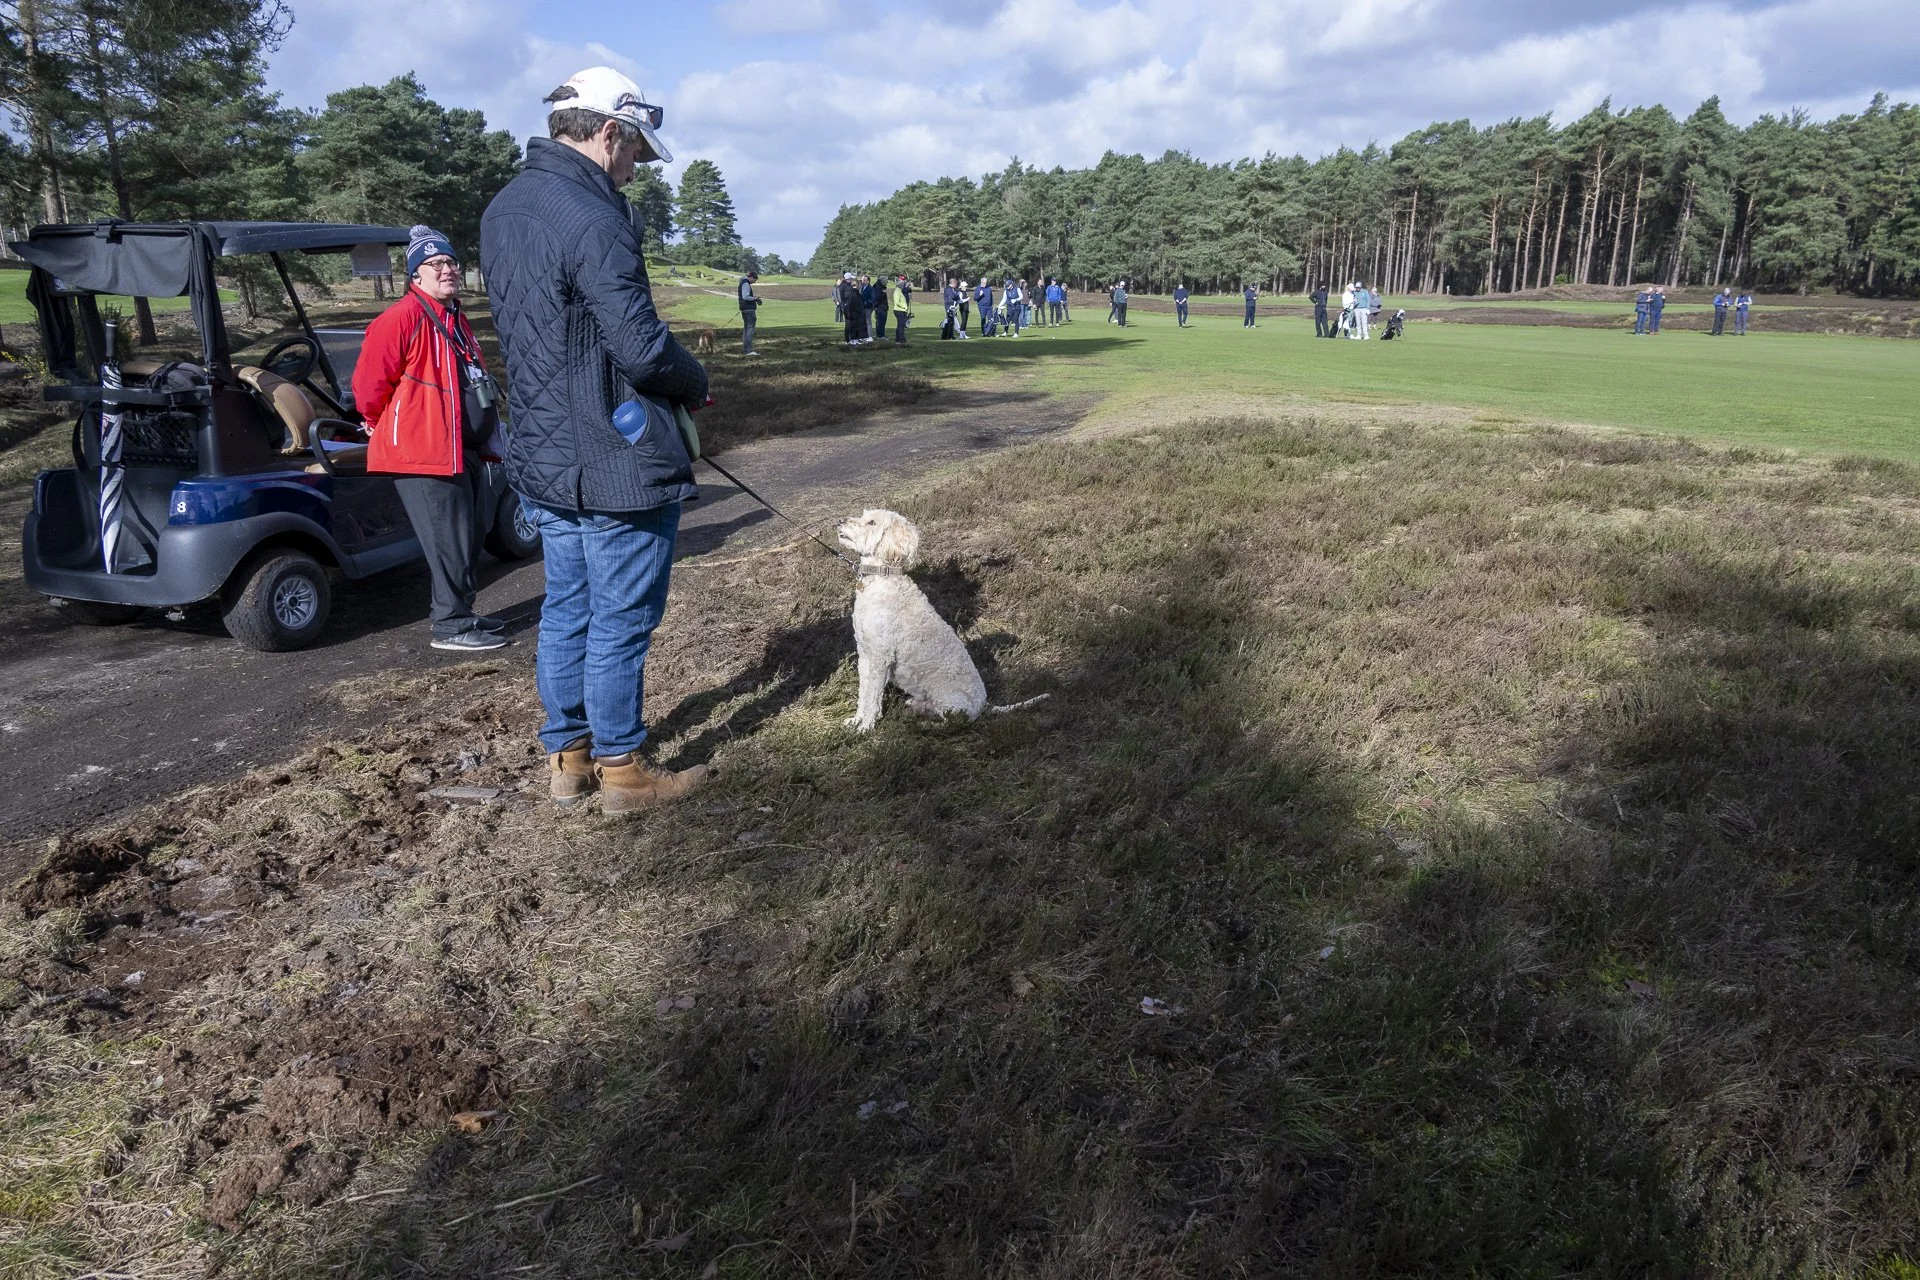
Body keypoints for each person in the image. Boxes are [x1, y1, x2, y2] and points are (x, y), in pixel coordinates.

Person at [479, 65, 709, 814]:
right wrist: (693, 379)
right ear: (608, 132)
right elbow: (642, 349)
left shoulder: (504, 207)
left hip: (546, 453)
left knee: (567, 608)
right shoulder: (593, 214)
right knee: (620, 618)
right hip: (614, 456)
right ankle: (621, 773)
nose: (637, 168)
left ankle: (568, 760)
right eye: (636, 151)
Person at [354, 225, 507, 654]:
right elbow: (368, 386)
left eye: (451, 262)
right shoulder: (400, 318)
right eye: (435, 263)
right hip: (423, 452)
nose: (447, 270)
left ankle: (462, 611)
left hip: (462, 447)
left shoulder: (454, 318)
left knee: (470, 535)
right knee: (448, 541)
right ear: (414, 276)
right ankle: (450, 626)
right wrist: (375, 420)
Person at [737, 268, 761, 355]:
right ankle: (749, 350)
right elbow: (745, 297)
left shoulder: (743, 283)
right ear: (750, 277)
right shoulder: (746, 284)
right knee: (750, 330)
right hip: (749, 309)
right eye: (754, 280)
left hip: (744, 309)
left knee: (746, 330)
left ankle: (746, 349)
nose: (754, 282)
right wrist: (755, 298)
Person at [838, 274, 865, 346]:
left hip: (849, 309)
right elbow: (850, 300)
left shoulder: (847, 287)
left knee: (853, 325)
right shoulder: (848, 288)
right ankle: (850, 340)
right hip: (850, 310)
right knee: (850, 325)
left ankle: (853, 339)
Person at [890, 274, 911, 344]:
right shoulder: (897, 292)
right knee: (901, 325)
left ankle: (898, 339)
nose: (903, 285)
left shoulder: (899, 291)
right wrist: (904, 306)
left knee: (900, 325)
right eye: (902, 284)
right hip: (899, 310)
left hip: (902, 310)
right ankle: (901, 339)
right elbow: (897, 302)